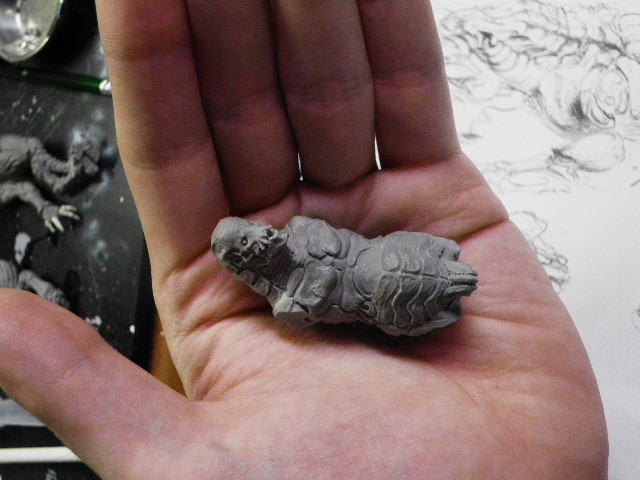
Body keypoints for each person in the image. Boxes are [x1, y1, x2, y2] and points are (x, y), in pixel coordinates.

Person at [0, 1, 608, 478]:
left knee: (390, 273)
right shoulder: (290, 295)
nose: (255, 246)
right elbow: (311, 301)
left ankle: (431, 273)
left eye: (250, 241)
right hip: (381, 291)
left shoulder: (300, 242)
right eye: (246, 251)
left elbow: (323, 271)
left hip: (391, 269)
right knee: (380, 282)